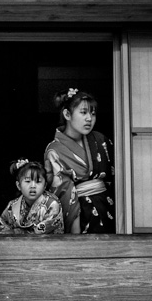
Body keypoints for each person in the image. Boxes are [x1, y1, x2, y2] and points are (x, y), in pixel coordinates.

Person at [44, 88, 115, 234]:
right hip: (80, 215)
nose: (89, 118)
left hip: (108, 207)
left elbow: (116, 176)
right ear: (67, 114)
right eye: (83, 113)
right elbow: (61, 191)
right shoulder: (54, 150)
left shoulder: (100, 140)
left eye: (93, 113)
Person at [0, 159, 64, 235]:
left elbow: (39, 231)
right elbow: (3, 224)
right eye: (28, 181)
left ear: (45, 186)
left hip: (47, 244)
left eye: (38, 181)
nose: (33, 186)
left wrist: (15, 232)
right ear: (18, 185)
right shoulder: (12, 205)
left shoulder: (52, 205)